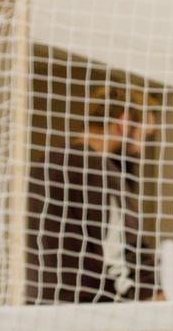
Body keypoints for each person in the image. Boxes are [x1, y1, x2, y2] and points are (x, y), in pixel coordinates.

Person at [28, 102, 158, 304]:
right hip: (91, 313)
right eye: (142, 136)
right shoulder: (100, 170)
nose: (141, 149)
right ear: (123, 123)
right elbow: (125, 251)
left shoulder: (44, 164)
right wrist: (152, 296)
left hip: (41, 306)